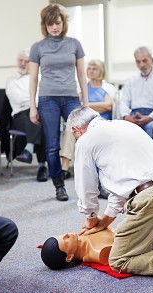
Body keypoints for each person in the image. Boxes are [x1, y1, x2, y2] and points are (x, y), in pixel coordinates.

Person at [65, 106, 153, 278]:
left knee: (120, 259)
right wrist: (105, 220)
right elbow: (125, 184)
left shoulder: (86, 141)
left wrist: (91, 218)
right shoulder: (125, 126)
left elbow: (86, 188)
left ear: (75, 130)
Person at [29, 3, 88, 201]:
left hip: (71, 98)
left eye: (57, 23)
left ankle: (92, 183)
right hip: (48, 100)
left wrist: (85, 102)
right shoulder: (37, 47)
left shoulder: (74, 44)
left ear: (63, 23)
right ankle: (59, 185)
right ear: (44, 25)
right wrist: (32, 106)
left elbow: (81, 75)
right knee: (52, 145)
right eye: (50, 24)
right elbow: (33, 79)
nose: (54, 27)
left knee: (84, 140)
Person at [61, 59, 116, 200]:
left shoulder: (107, 88)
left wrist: (87, 105)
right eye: (89, 68)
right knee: (70, 129)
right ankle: (64, 168)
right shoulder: (83, 88)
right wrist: (94, 106)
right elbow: (77, 107)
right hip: (84, 122)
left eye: (94, 68)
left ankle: (98, 180)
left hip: (101, 122)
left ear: (101, 71)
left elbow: (108, 106)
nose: (91, 70)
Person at [6, 48, 48, 182]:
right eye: (20, 60)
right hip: (20, 116)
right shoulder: (12, 81)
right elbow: (18, 100)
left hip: (39, 111)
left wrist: (34, 103)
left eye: (26, 61)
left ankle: (28, 150)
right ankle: (42, 166)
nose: (23, 63)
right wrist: (33, 102)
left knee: (41, 118)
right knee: (41, 121)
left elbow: (45, 98)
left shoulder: (41, 78)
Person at [120, 46, 153, 138]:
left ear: (152, 60)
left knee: (151, 127)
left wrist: (150, 117)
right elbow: (124, 101)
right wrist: (126, 116)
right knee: (117, 125)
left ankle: (150, 153)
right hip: (134, 115)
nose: (141, 65)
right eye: (138, 61)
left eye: (145, 61)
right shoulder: (131, 79)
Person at [41, 228, 115, 270]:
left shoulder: (84, 233)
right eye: (65, 240)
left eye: (61, 235)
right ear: (69, 257)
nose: (66, 234)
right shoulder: (98, 252)